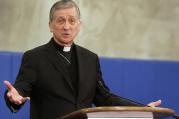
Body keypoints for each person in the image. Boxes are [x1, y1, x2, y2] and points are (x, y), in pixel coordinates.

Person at [4, 0, 161, 119]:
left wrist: (143, 109)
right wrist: (13, 97)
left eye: (72, 21)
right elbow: (20, 89)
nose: (66, 26)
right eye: (60, 20)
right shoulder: (34, 57)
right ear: (50, 25)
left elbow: (104, 98)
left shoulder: (90, 59)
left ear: (79, 25)